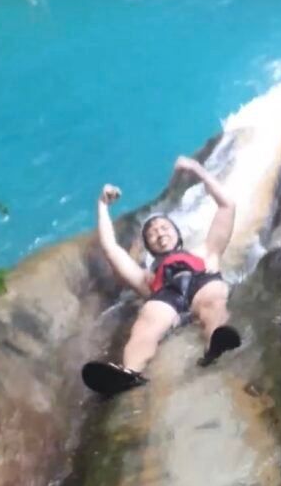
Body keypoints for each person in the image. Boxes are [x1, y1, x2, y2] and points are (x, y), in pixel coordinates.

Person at [88, 156, 241, 389]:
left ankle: (216, 342)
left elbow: (227, 206)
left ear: (178, 234)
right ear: (149, 246)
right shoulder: (146, 277)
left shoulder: (205, 251)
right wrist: (102, 205)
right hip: (165, 295)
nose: (159, 233)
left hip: (201, 283)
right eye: (152, 233)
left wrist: (196, 169)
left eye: (164, 227)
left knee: (213, 300)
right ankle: (130, 372)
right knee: (147, 323)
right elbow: (110, 249)